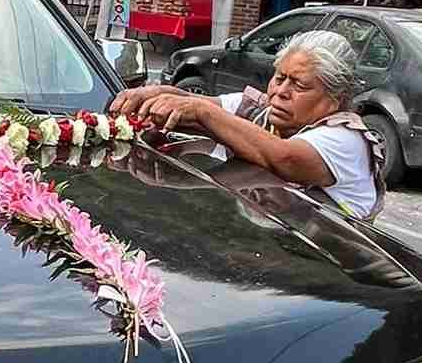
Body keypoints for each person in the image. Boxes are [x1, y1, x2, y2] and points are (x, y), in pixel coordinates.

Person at [109, 28, 385, 221]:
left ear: (333, 101)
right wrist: (158, 94)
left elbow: (283, 157)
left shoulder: (344, 138)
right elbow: (201, 108)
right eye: (279, 78)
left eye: (299, 85)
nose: (281, 92)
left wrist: (200, 110)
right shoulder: (262, 110)